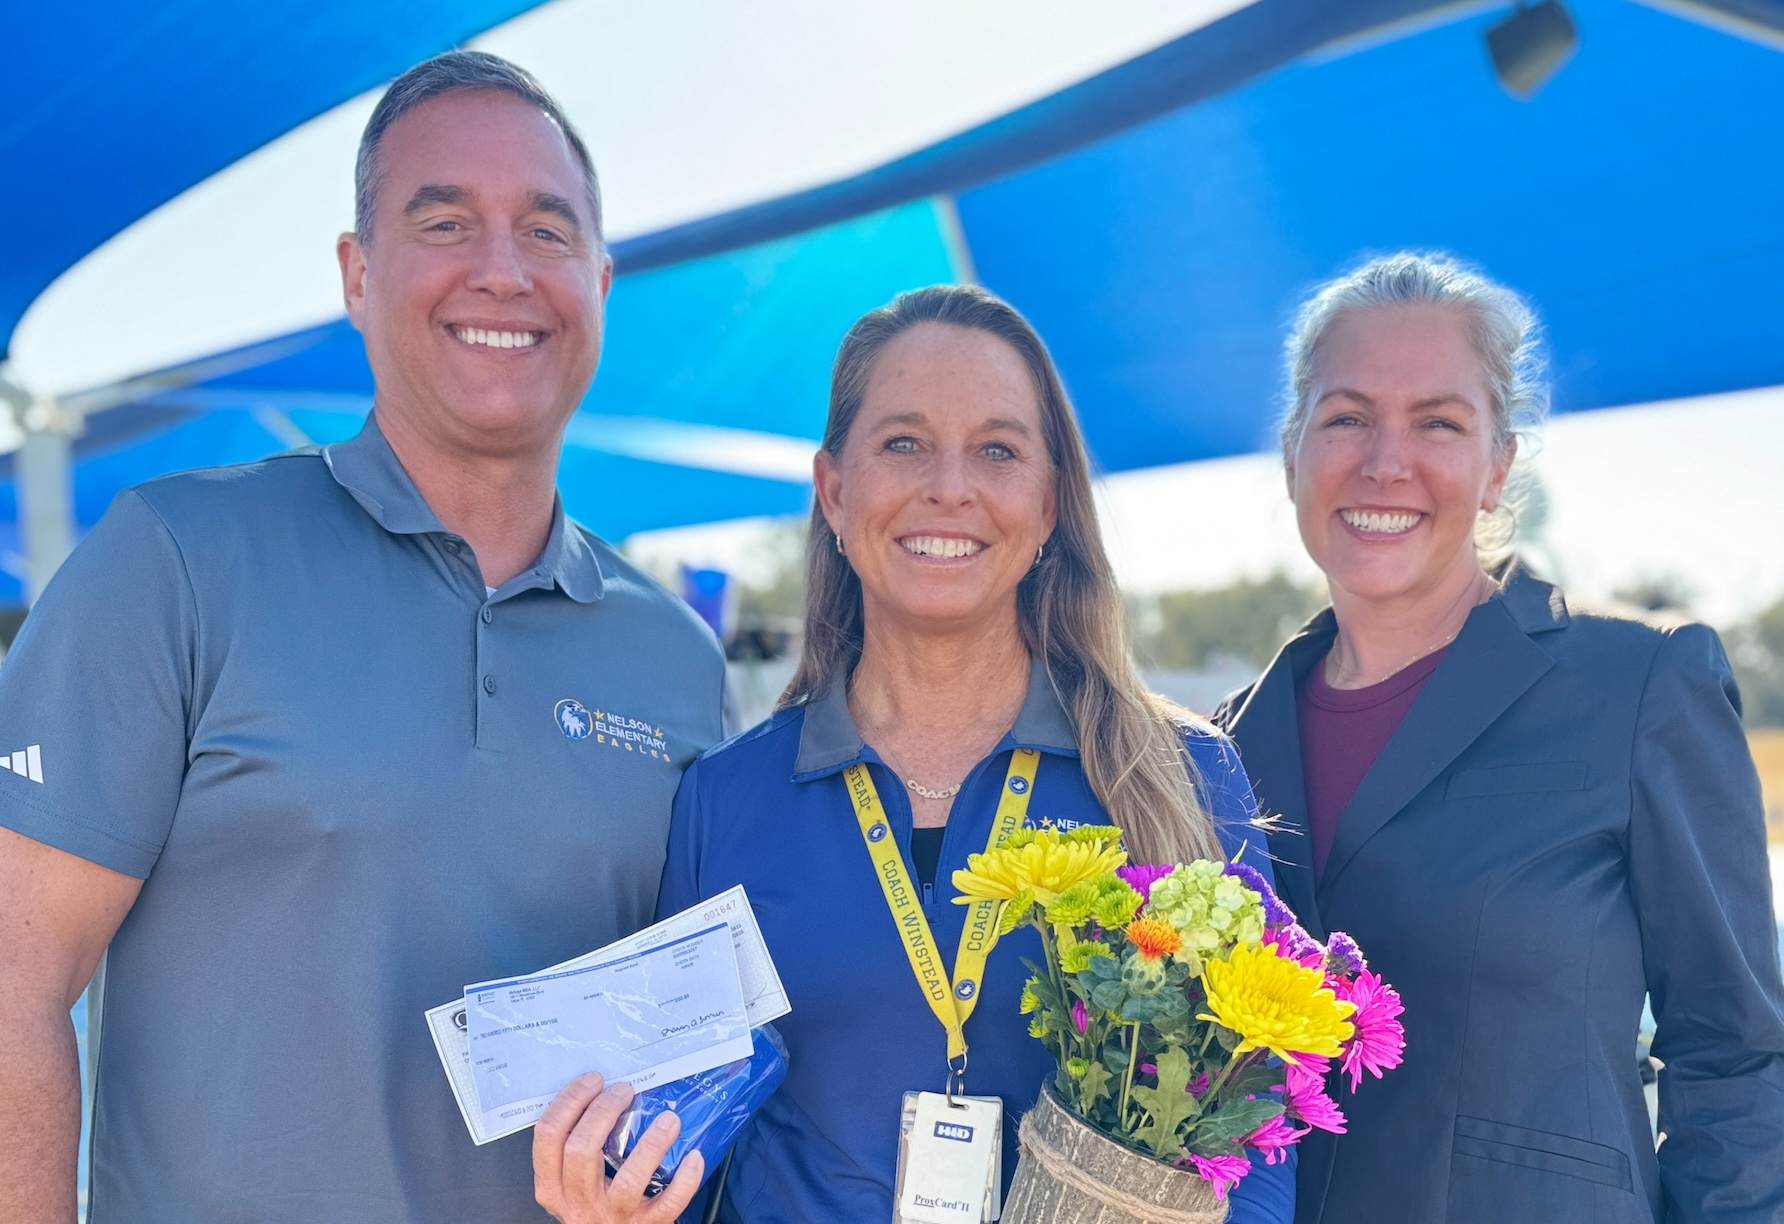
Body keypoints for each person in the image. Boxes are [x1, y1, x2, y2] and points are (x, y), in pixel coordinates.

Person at [0, 52, 725, 1223]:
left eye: (546, 232)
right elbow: (12, 985)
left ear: (598, 278)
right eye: (444, 221)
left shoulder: (673, 660)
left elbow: (677, 1053)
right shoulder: (176, 561)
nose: (502, 271)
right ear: (356, 271)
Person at [532, 285, 1296, 1223]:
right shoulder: (723, 801)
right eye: (903, 443)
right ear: (835, 492)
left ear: (1049, 503)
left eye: (998, 450)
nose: (950, 486)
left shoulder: (1181, 778)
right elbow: (683, 1152)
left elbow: (1257, 1145)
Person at [1212, 253, 1784, 1223]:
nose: (1384, 461)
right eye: (1345, 417)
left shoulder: (1639, 685)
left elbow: (1734, 1051)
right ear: (1290, 453)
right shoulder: (1216, 748)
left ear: (1496, 466)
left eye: (1437, 422)